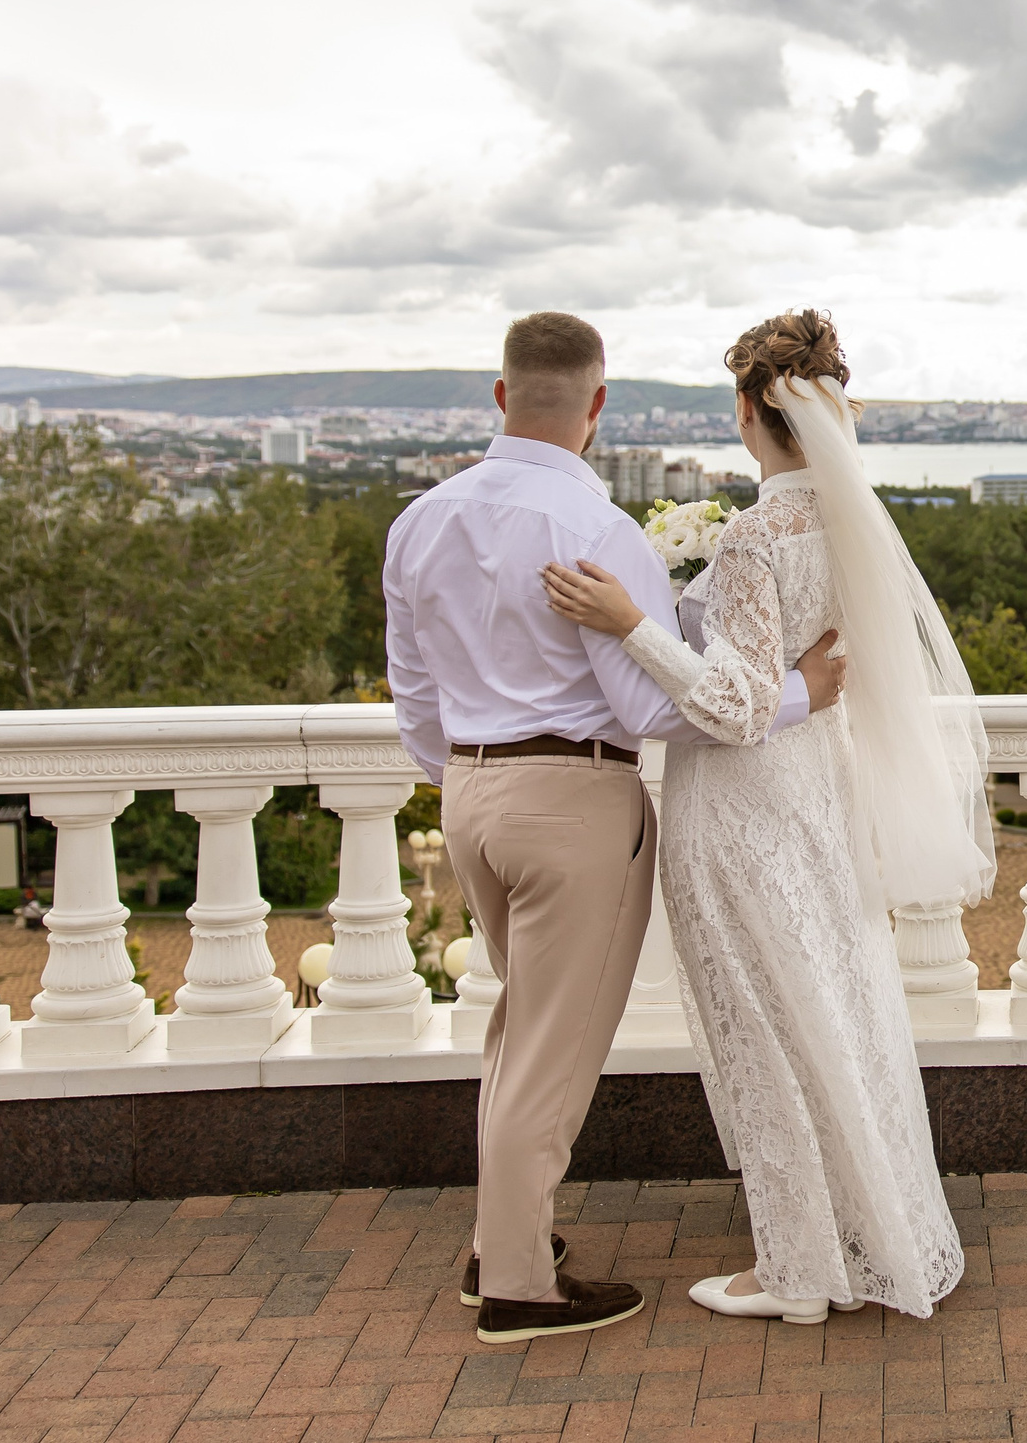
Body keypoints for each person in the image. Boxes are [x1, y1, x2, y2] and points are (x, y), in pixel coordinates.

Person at [383, 312, 848, 1345]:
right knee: (552, 1052)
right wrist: (793, 693)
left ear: (501, 397)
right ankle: (513, 1283)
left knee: (518, 1031)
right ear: (598, 407)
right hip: (575, 807)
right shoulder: (598, 533)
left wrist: (466, 777)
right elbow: (650, 711)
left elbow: (411, 692)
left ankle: (503, 1236)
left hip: (468, 796)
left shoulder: (419, 521)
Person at [540, 309, 992, 1325]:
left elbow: (731, 708)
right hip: (816, 793)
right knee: (829, 1010)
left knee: (761, 1022)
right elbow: (815, 679)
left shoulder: (752, 538)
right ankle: (861, 1232)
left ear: (752, 410)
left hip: (742, 808)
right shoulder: (852, 521)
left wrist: (632, 626)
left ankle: (797, 1270)